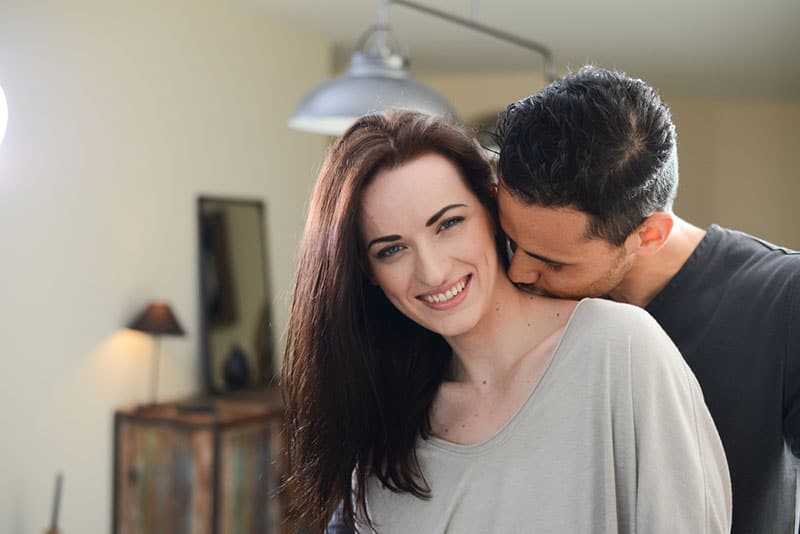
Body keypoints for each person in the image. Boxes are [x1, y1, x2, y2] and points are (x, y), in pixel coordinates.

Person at [283, 110, 731, 533]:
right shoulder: (382, 424)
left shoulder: (620, 348)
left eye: (448, 224)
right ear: (368, 273)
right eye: (391, 249)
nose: (433, 271)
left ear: (493, 211)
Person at [493, 65, 800, 534]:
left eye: (552, 262)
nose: (517, 274)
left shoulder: (783, 299)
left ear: (650, 234)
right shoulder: (503, 282)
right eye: (513, 242)